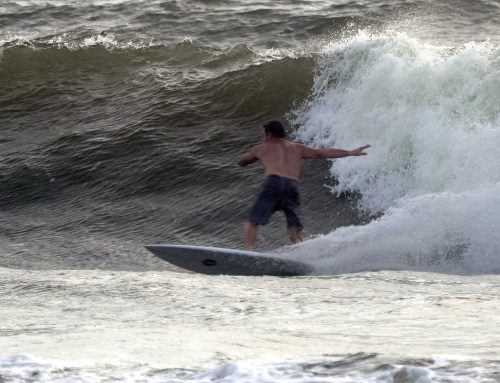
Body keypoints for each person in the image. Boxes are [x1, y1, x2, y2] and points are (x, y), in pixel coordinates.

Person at [238, 120, 370, 250]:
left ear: (269, 135)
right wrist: (350, 152)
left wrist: (247, 157)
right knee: (295, 231)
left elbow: (242, 161)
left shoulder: (263, 147)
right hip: (292, 186)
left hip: (274, 183)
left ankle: (248, 252)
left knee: (252, 222)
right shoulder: (297, 148)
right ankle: (309, 254)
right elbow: (322, 153)